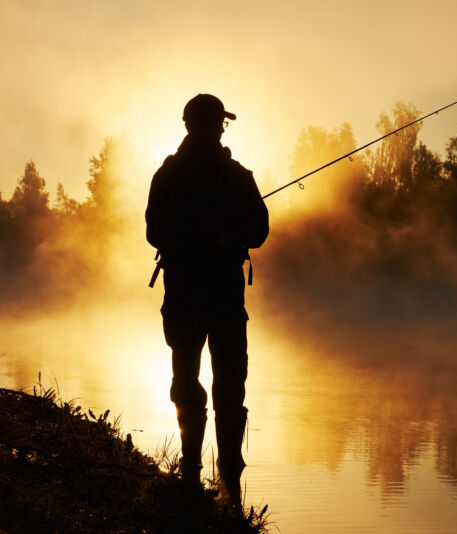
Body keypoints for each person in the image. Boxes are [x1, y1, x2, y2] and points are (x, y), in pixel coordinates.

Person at [145, 94, 269, 506]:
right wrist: (211, 233)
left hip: (190, 298)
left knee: (196, 382)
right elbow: (259, 229)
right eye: (218, 123)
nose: (219, 130)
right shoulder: (235, 176)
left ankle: (203, 474)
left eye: (220, 124)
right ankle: (222, 479)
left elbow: (154, 232)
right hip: (214, 299)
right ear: (207, 126)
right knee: (224, 386)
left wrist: (224, 234)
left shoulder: (172, 174)